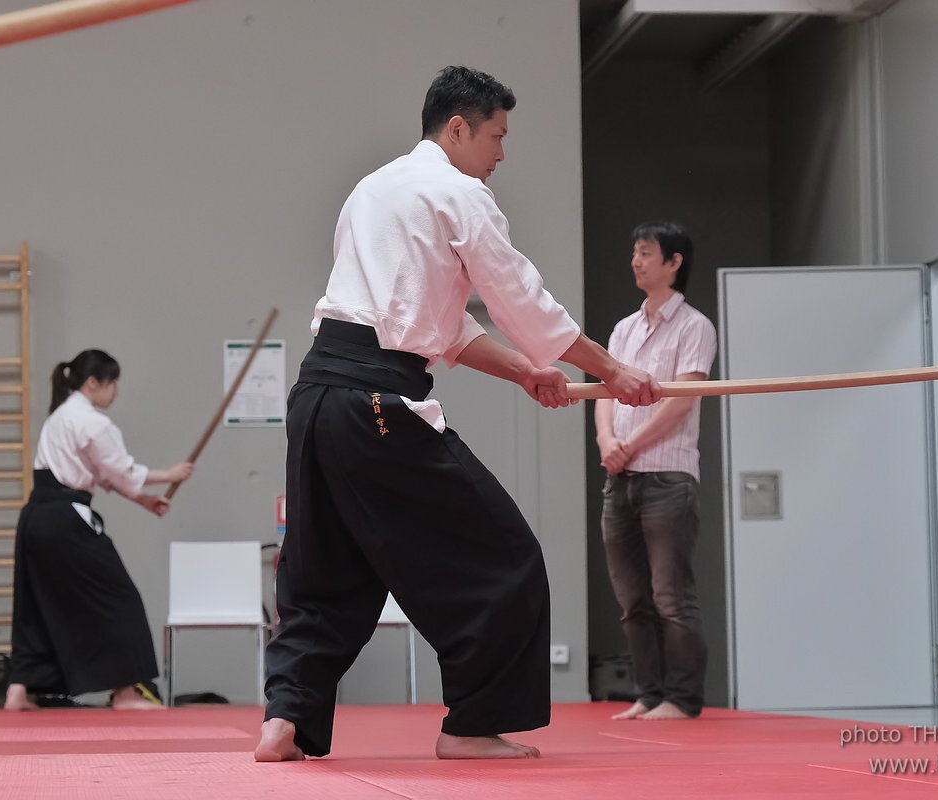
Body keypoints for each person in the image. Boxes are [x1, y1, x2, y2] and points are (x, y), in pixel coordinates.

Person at [255, 65, 661, 763]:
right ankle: (472, 724)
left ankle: (283, 720)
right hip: (378, 403)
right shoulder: (459, 193)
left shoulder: (371, 190)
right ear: (457, 128)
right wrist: (613, 369)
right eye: (497, 136)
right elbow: (524, 303)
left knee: (328, 571)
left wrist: (527, 372)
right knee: (506, 558)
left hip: (318, 396)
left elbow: (431, 325)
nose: (501, 154)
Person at [3, 349, 194, 711]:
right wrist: (169, 475)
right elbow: (120, 471)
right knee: (119, 598)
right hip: (64, 520)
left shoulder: (60, 416)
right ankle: (125, 692)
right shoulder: (92, 422)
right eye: (112, 384)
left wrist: (144, 501)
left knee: (36, 601)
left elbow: (103, 475)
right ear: (93, 383)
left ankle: (19, 689)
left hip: (36, 517)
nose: (116, 392)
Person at [594, 221, 717, 721]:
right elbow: (604, 391)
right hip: (619, 476)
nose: (635, 261)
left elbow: (681, 402)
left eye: (646, 253)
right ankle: (648, 693)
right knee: (632, 600)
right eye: (634, 253)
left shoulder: (695, 327)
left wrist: (630, 445)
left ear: (673, 263)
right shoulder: (624, 328)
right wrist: (607, 441)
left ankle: (683, 699)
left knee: (671, 596)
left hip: (667, 477)